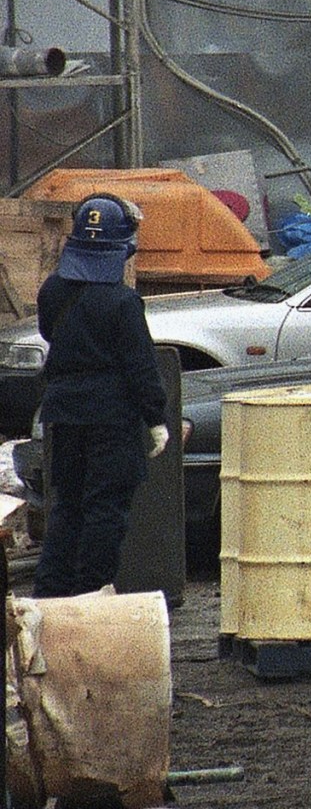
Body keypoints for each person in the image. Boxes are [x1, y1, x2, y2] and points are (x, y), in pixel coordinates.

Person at [33, 196, 170, 597]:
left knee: (67, 505)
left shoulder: (52, 290)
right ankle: (92, 594)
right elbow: (141, 367)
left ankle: (51, 594)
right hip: (111, 417)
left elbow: (49, 334)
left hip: (63, 410)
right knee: (104, 510)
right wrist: (156, 419)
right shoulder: (123, 302)